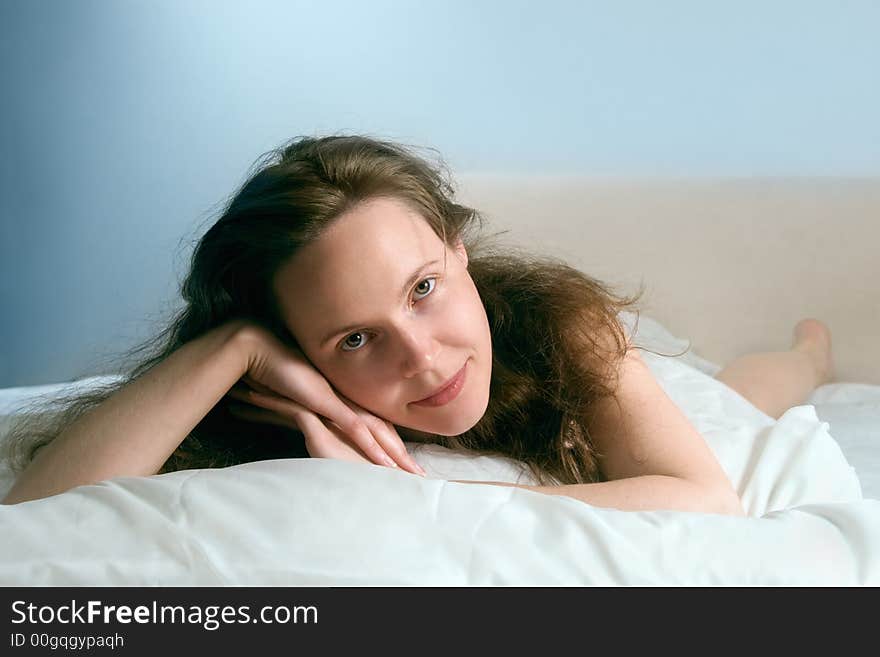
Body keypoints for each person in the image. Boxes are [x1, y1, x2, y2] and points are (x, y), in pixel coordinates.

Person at [1, 135, 834, 512]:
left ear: (460, 248)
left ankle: (808, 349)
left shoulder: (564, 325)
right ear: (300, 350)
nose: (425, 358)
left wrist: (436, 494)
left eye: (424, 288)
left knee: (748, 393)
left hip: (641, 396)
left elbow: (704, 500)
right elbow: (40, 509)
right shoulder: (274, 388)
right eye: (355, 339)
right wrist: (235, 346)